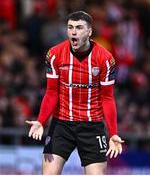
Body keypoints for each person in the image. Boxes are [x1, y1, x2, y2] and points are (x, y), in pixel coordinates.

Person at [26, 11, 124, 175]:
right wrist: (41, 121)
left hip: (91, 126)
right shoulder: (55, 54)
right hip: (61, 124)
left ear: (90, 31)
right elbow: (51, 92)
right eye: (70, 27)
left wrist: (113, 133)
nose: (73, 32)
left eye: (79, 28)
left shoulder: (105, 59)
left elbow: (107, 98)